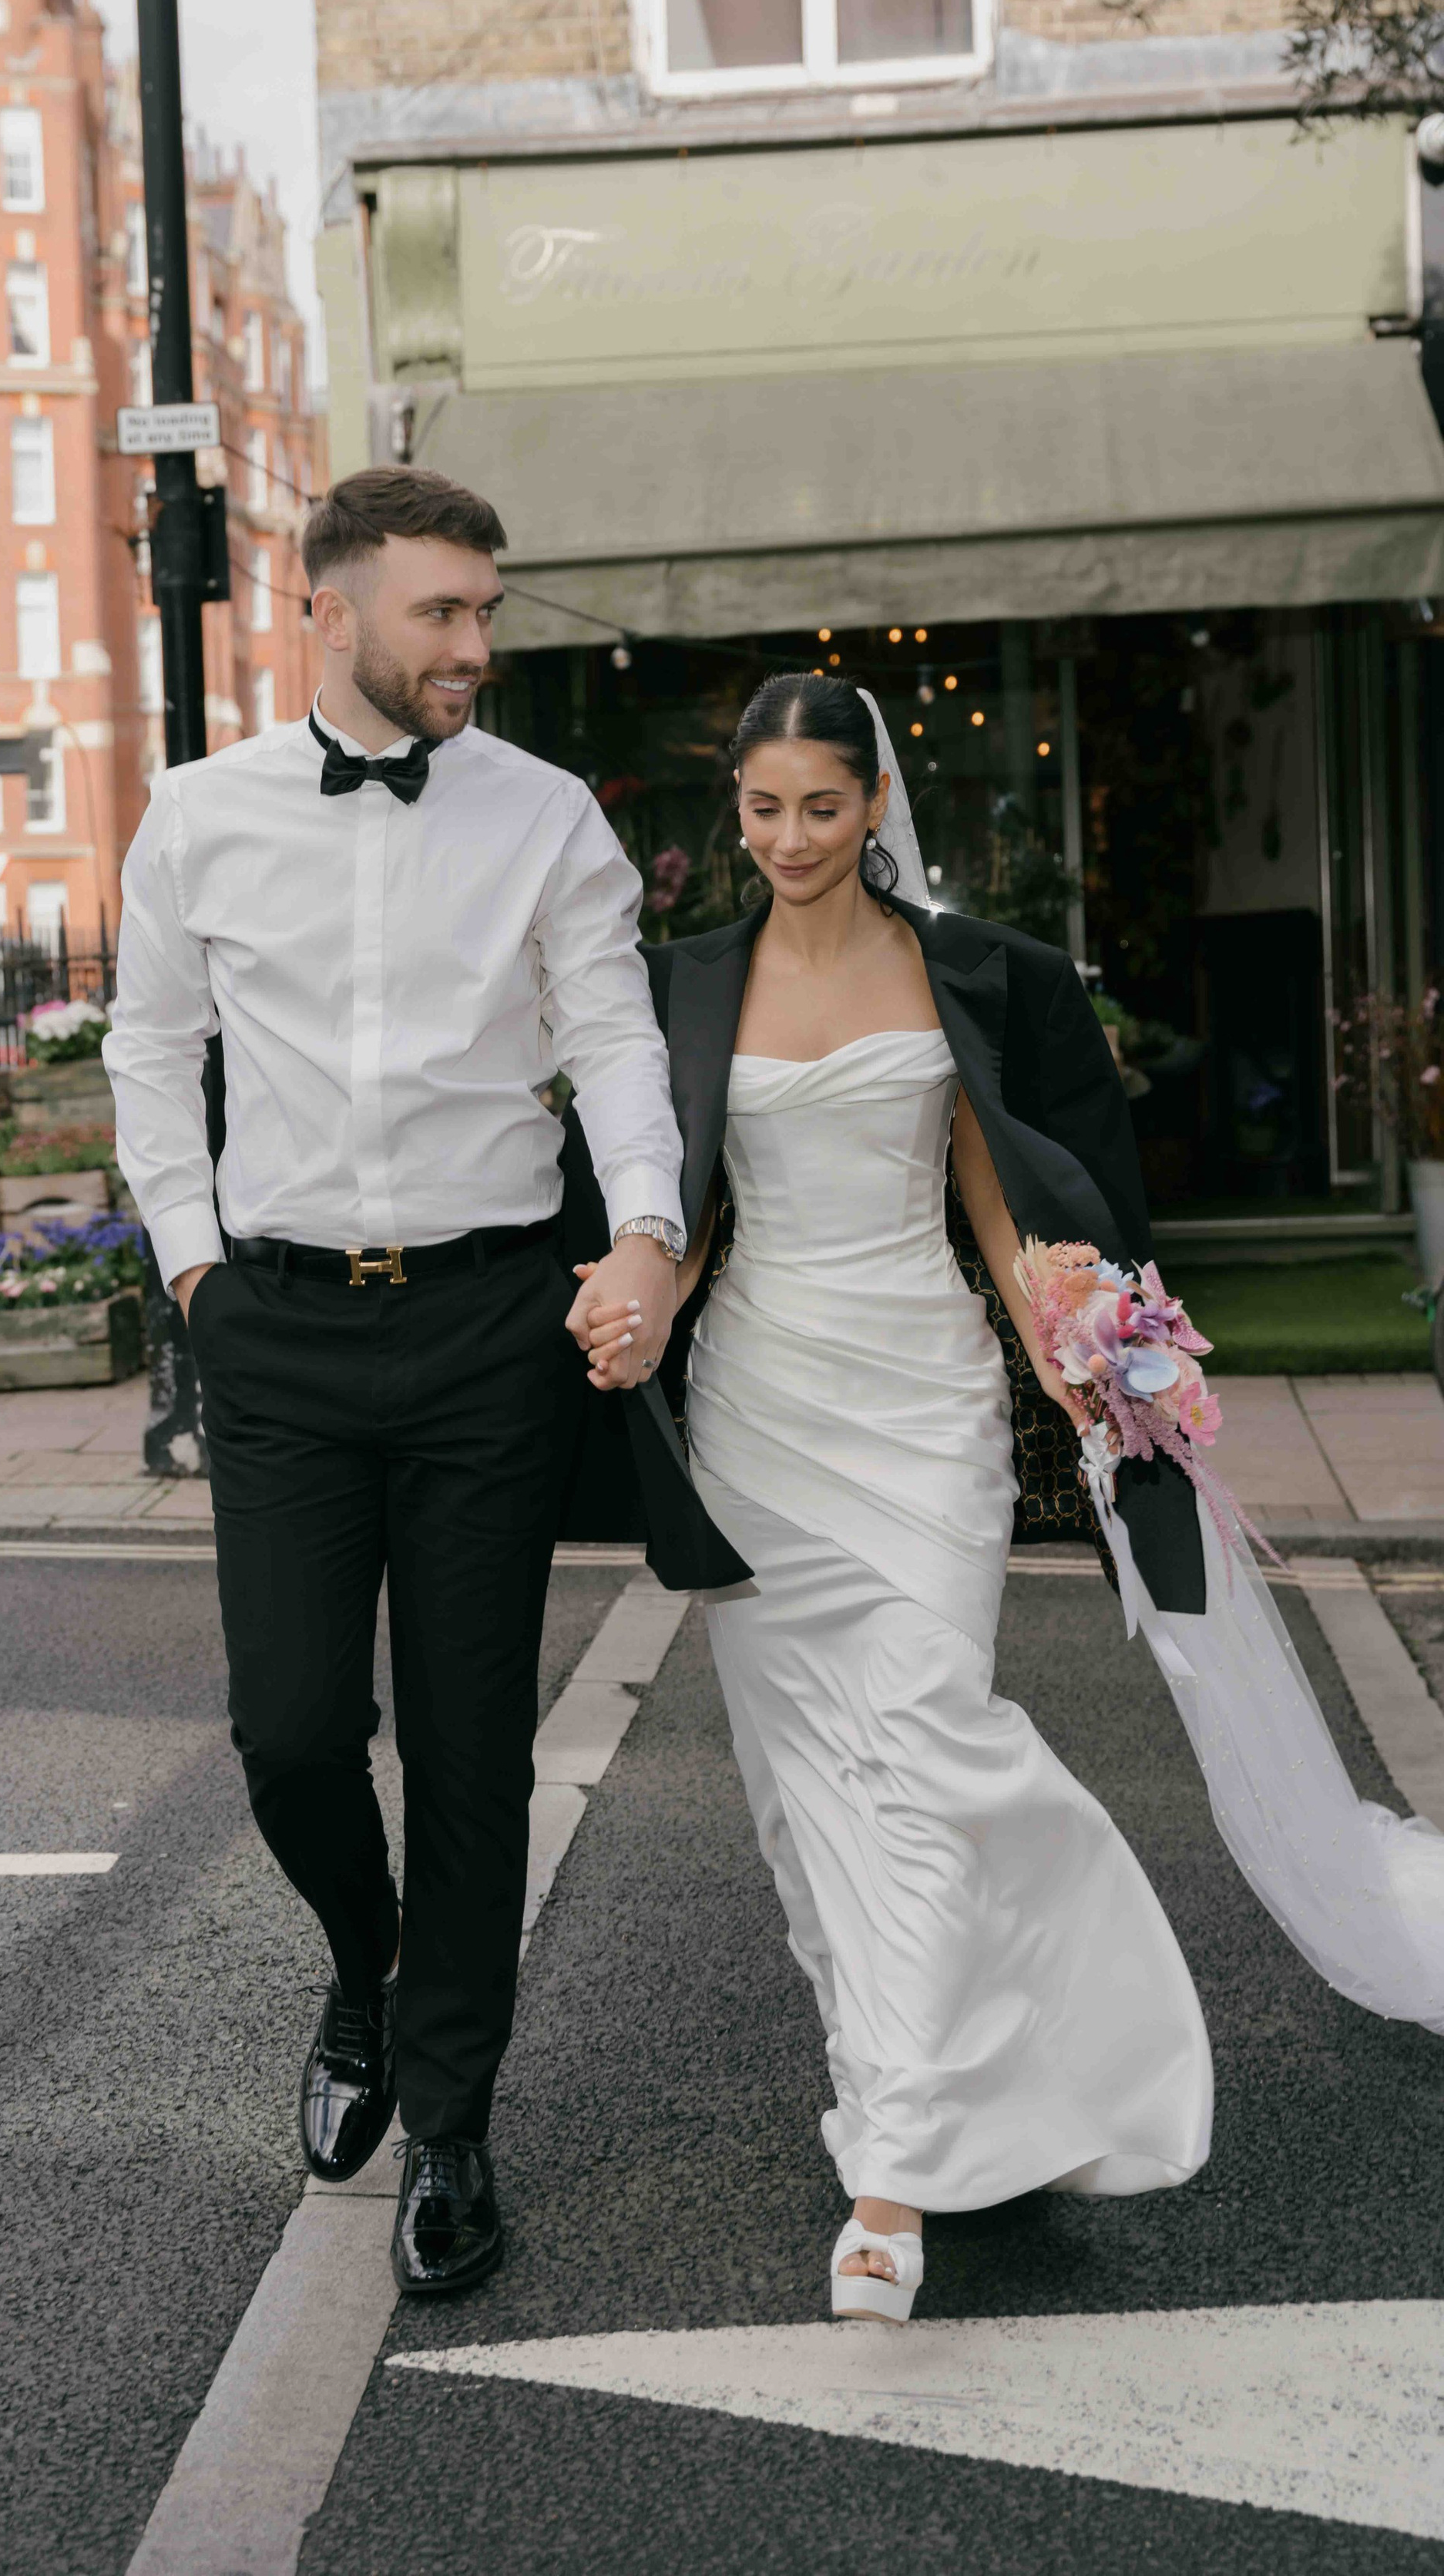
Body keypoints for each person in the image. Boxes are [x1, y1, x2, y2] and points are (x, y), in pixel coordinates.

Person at [104, 464, 695, 2297]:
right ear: (329, 610)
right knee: (288, 1733)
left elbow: (614, 1040)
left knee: (467, 1749)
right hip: (275, 1330)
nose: (471, 646)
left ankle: (449, 2116)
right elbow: (148, 1051)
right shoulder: (196, 816)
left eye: (483, 613)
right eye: (440, 612)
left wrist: (647, 1232)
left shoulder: (545, 818)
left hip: (484, 1330)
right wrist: (192, 1270)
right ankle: (362, 1967)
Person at [576, 670, 1214, 2323]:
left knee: (930, 1742)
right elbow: (680, 1210)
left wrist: (1067, 1347)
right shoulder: (683, 983)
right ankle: (905, 2097)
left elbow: (993, 1197)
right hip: (757, 1415)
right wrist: (640, 1302)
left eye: (820, 807)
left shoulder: (957, 971)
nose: (789, 838)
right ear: (733, 812)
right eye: (761, 809)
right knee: (811, 1802)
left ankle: (895, 2179)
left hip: (924, 1405)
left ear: (873, 806)